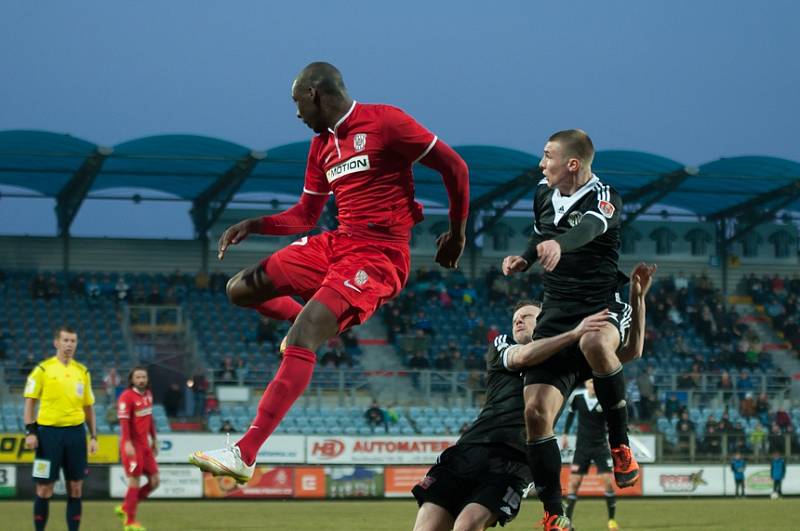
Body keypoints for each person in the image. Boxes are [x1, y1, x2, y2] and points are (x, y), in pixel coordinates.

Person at [190, 61, 469, 483]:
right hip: (337, 242)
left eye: (296, 102)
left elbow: (455, 167)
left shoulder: (385, 121)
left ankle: (245, 452)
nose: (296, 113)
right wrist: (255, 225)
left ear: (314, 94)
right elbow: (306, 215)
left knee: (302, 339)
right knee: (239, 289)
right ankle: (309, 323)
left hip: (377, 255)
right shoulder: (322, 147)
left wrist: (457, 232)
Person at [412, 265, 651, 531]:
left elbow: (631, 352)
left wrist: (637, 299)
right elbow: (523, 357)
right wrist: (573, 333)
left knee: (466, 526)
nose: (518, 320)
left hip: (515, 461)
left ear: (545, 321)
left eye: (527, 316)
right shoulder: (502, 344)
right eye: (516, 317)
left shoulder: (566, 364)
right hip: (470, 448)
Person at [503, 131, 647, 525]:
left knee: (597, 341)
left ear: (572, 164)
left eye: (547, 156)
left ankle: (620, 444)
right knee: (534, 411)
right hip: (557, 309)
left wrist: (559, 245)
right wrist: (525, 258)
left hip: (602, 299)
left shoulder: (606, 196)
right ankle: (554, 514)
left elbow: (590, 229)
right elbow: (540, 234)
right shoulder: (541, 193)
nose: (540, 163)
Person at [22, 325, 98, 531]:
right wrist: (30, 431)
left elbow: (88, 406)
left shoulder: (83, 371)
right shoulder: (42, 370)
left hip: (75, 435)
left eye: (73, 341)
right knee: (44, 488)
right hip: (47, 436)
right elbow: (30, 401)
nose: (69, 345)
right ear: (56, 343)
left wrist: (93, 436)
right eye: (65, 340)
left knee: (75, 488)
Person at [561, 380, 619, 531]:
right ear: (586, 384)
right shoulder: (578, 397)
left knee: (608, 482)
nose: (592, 385)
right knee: (574, 483)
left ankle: (611, 521)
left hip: (601, 447)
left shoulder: (604, 398)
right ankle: (568, 523)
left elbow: (612, 420)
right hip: (582, 447)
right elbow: (570, 415)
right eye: (590, 382)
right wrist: (565, 435)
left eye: (594, 383)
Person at [115, 367, 160, 531]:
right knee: (135, 480)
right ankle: (129, 522)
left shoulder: (148, 394)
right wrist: (127, 442)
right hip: (132, 446)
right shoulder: (126, 397)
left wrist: (154, 439)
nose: (141, 380)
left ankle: (126, 507)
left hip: (145, 446)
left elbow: (150, 419)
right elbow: (124, 422)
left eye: (144, 377)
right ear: (132, 380)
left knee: (155, 481)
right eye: (138, 377)